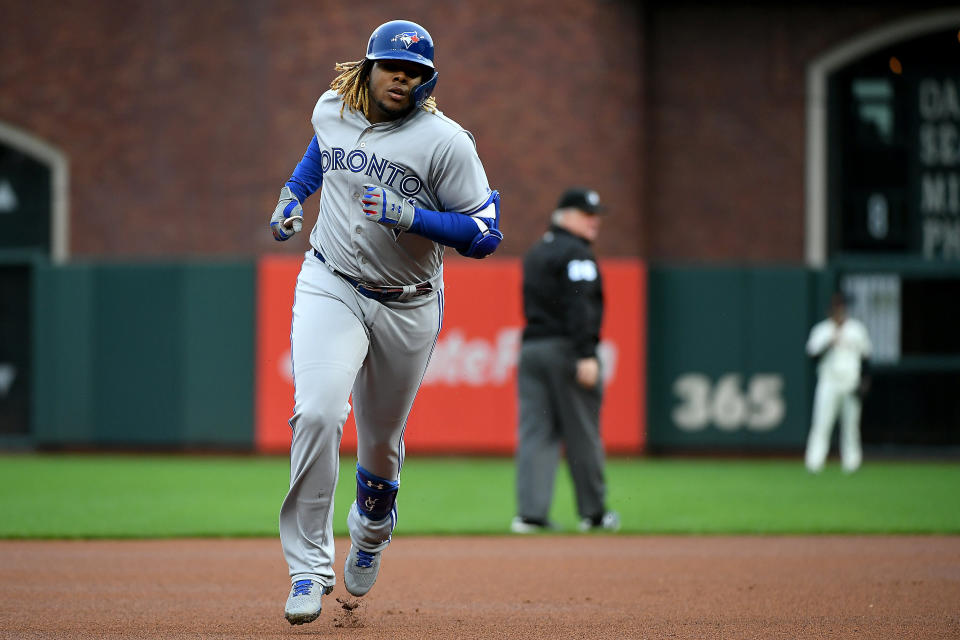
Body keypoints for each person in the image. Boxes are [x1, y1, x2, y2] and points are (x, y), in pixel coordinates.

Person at [268, 19, 502, 625]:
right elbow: (322, 151)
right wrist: (294, 195)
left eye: (415, 72)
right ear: (368, 67)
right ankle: (306, 569)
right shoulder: (332, 107)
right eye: (392, 66)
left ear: (428, 81)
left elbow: (485, 234)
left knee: (379, 439)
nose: (402, 77)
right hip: (332, 282)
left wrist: (412, 214)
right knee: (318, 410)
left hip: (409, 300)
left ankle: (371, 532)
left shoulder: (445, 142)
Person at [511, 187, 620, 535]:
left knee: (535, 434)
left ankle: (530, 515)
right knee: (582, 433)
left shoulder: (537, 252)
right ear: (566, 216)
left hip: (532, 350)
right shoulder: (577, 254)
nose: (595, 222)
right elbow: (580, 304)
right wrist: (587, 353)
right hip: (566, 351)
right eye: (588, 215)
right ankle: (595, 514)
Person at [804, 291, 872, 474]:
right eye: (836, 309)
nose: (839, 312)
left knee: (851, 426)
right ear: (830, 311)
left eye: (841, 309)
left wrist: (865, 382)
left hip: (851, 382)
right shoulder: (822, 330)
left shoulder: (856, 330)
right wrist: (829, 342)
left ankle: (852, 463)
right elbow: (812, 356)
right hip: (828, 382)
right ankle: (814, 463)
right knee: (821, 424)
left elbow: (866, 359)